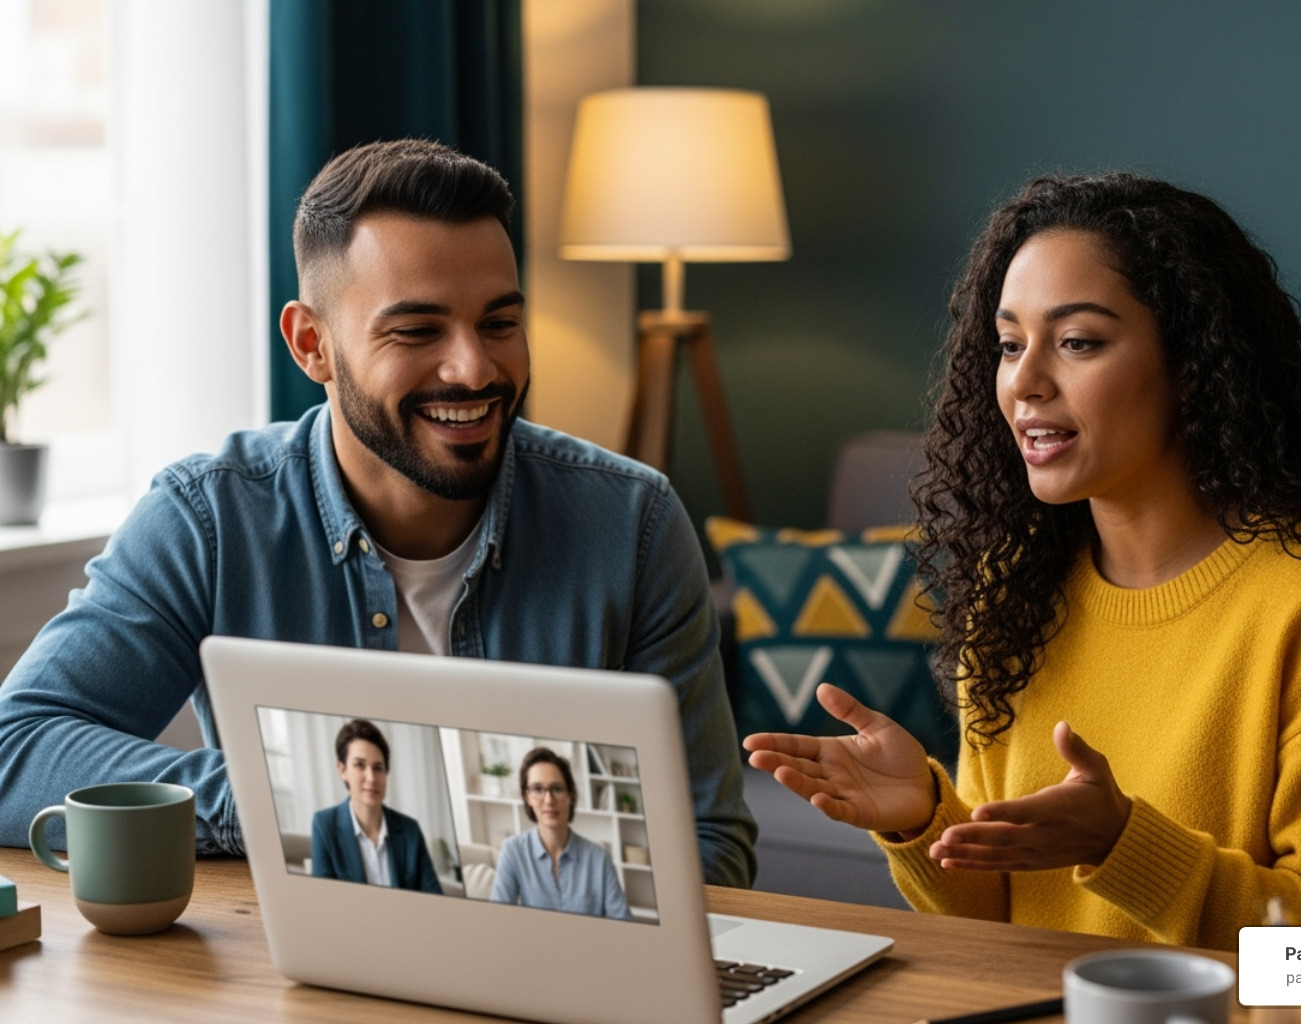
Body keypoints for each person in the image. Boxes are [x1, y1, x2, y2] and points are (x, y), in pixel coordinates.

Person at [744, 172, 1301, 952]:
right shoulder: (1015, 594)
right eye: (1008, 344)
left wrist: (1122, 845)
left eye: (1077, 342)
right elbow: (1001, 930)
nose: (1024, 382)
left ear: (1193, 364)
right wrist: (923, 821)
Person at [0, 139, 755, 887]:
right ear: (311, 346)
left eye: (498, 323)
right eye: (417, 331)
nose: (474, 368)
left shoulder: (633, 524)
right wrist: (286, 800)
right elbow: (15, 749)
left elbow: (711, 845)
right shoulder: (209, 518)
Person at [488, 748, 633, 920]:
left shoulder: (600, 859)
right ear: (527, 796)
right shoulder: (512, 851)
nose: (549, 800)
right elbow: (498, 923)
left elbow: (624, 925)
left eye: (557, 789)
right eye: (537, 789)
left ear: (570, 795)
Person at [310, 719, 442, 893]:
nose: (371, 777)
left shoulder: (410, 830)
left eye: (378, 768)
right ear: (342, 770)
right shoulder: (324, 825)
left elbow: (435, 901)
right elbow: (324, 903)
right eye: (360, 765)